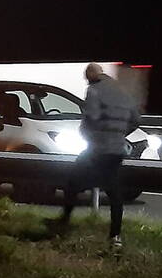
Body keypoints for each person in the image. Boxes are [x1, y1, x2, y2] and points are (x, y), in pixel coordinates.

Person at [46, 63, 140, 248]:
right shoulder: (122, 92)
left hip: (98, 149)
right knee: (114, 191)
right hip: (116, 150)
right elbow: (136, 120)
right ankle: (115, 235)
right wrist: (119, 134)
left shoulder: (94, 90)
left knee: (73, 183)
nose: (85, 80)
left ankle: (64, 223)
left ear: (91, 75)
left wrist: (87, 135)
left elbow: (92, 118)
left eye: (86, 76)